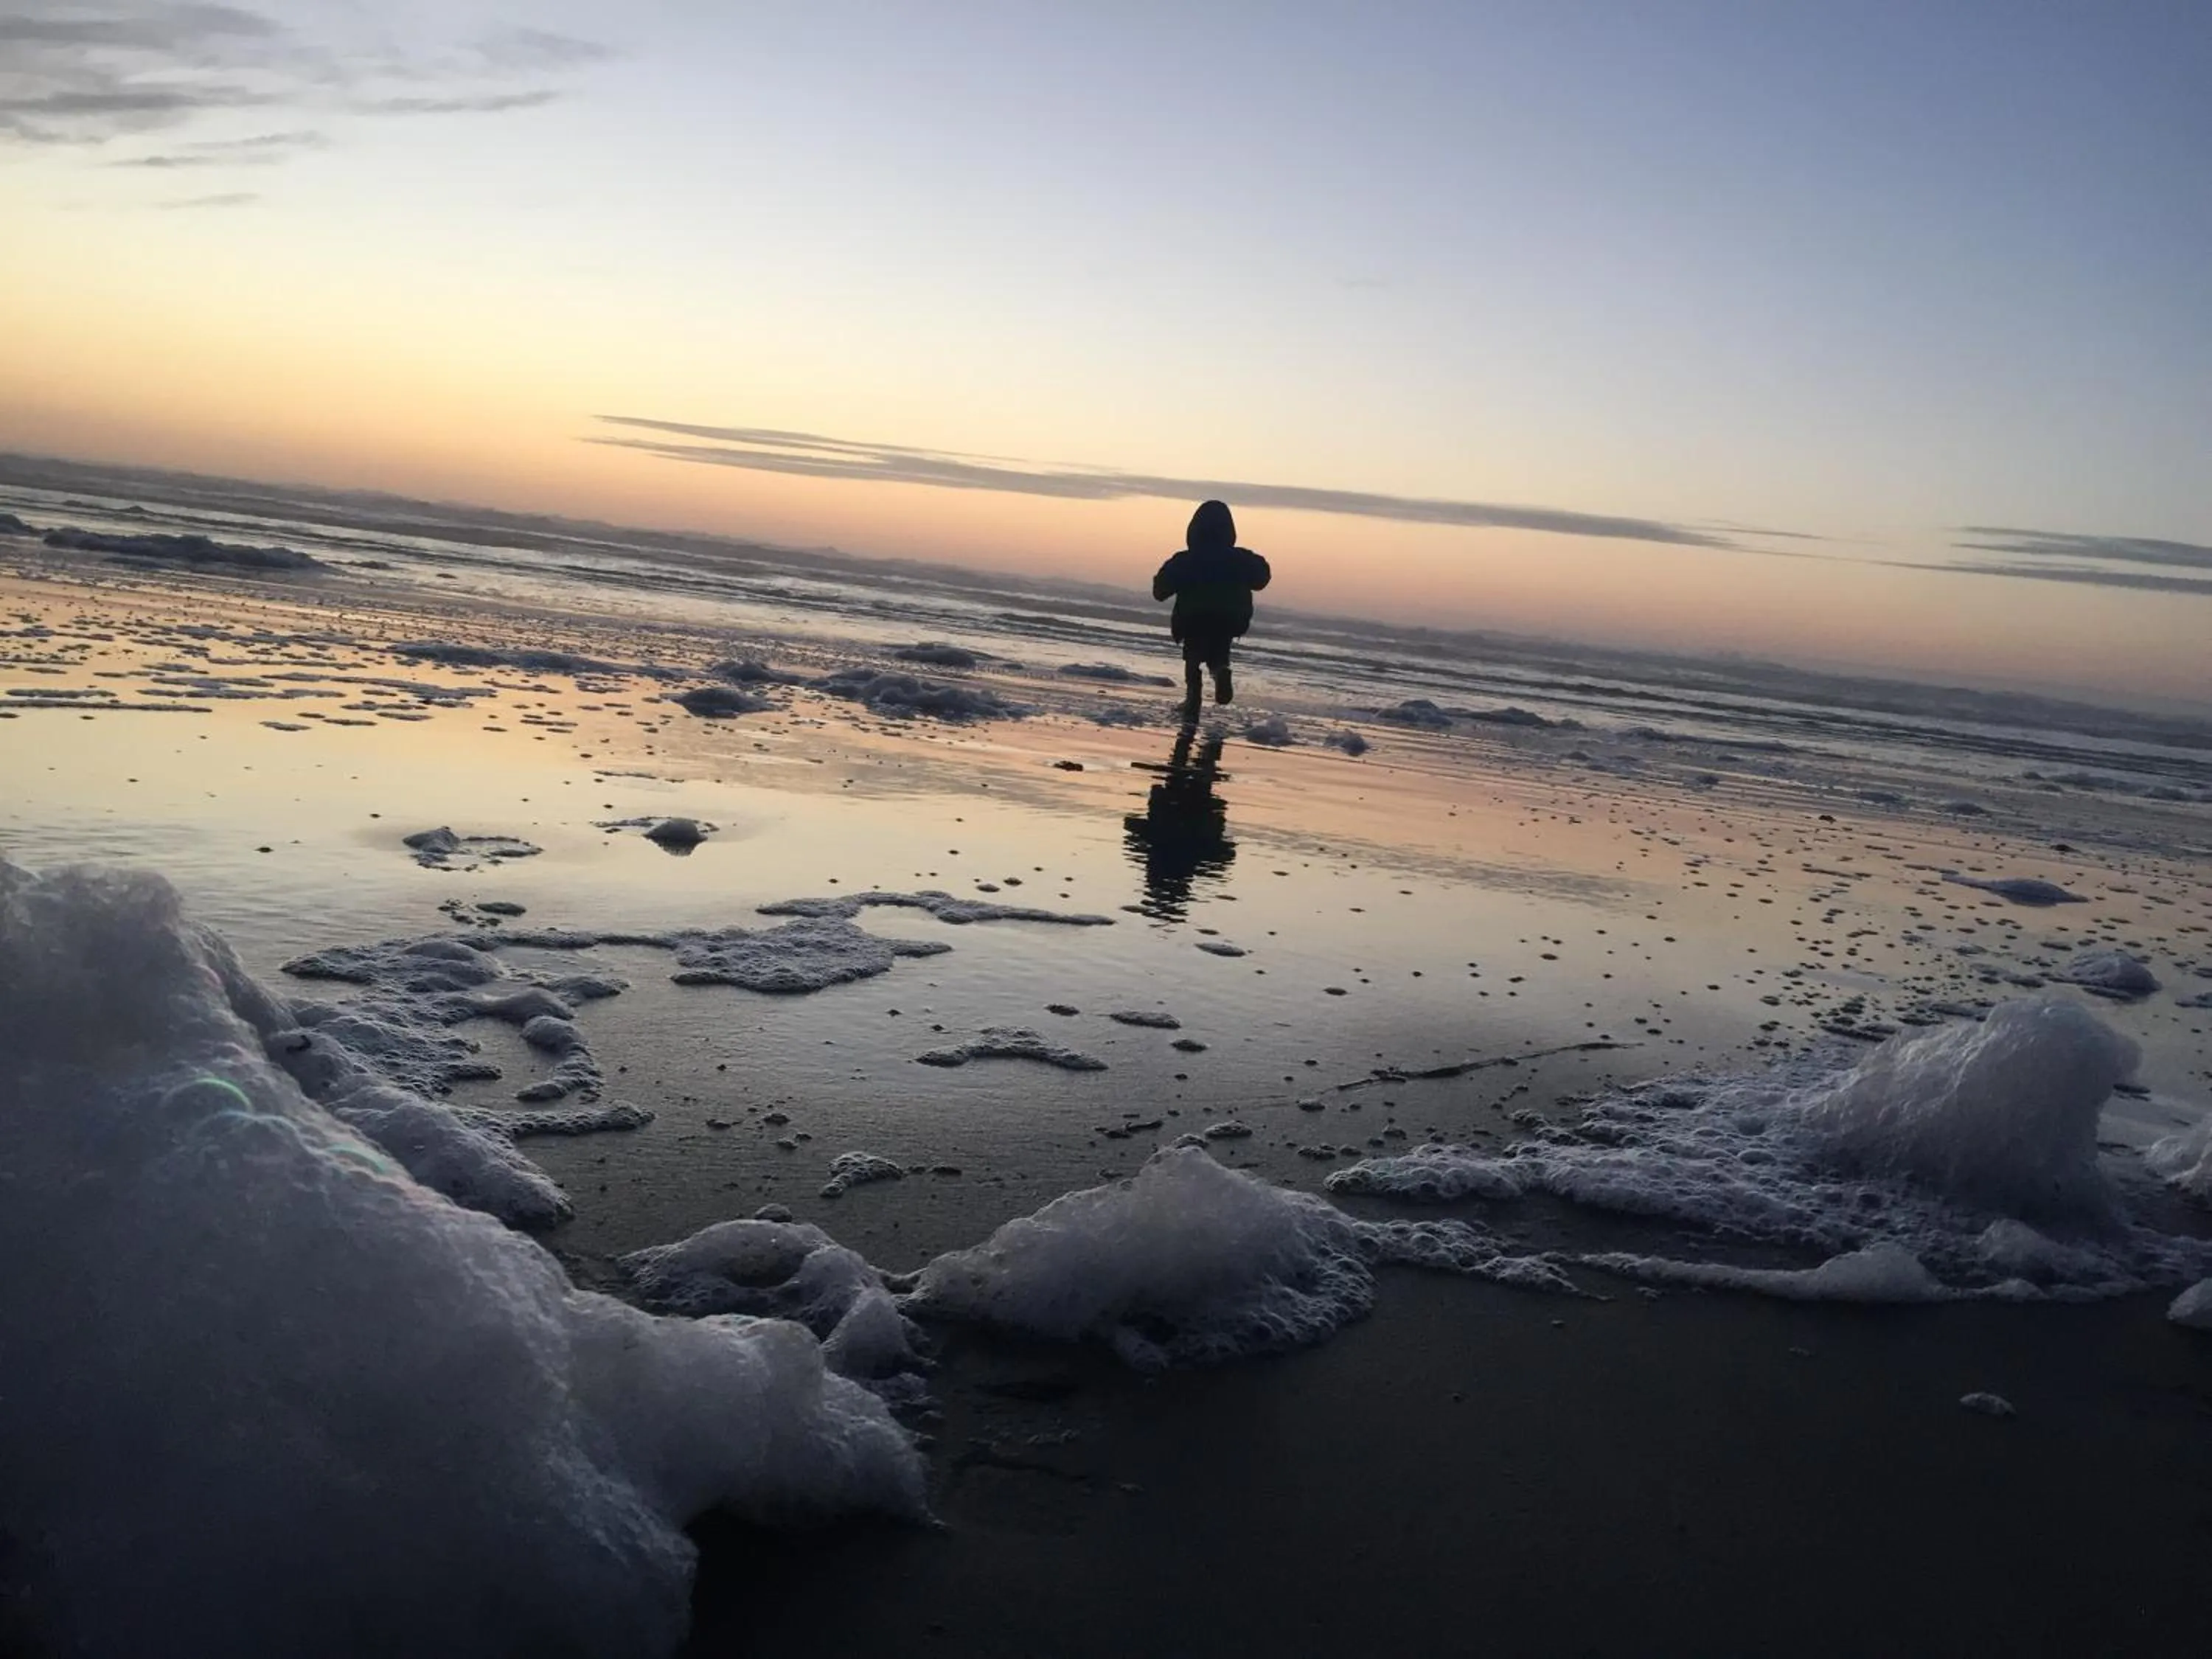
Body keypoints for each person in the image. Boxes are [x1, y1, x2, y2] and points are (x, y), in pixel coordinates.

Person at [1152, 499, 1270, 721]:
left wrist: (1163, 582)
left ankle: (1193, 698)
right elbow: (1262, 578)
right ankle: (1220, 672)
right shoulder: (1241, 559)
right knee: (1219, 652)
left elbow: (1160, 591)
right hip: (1229, 618)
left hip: (1193, 618)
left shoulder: (1186, 560)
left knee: (1193, 658)